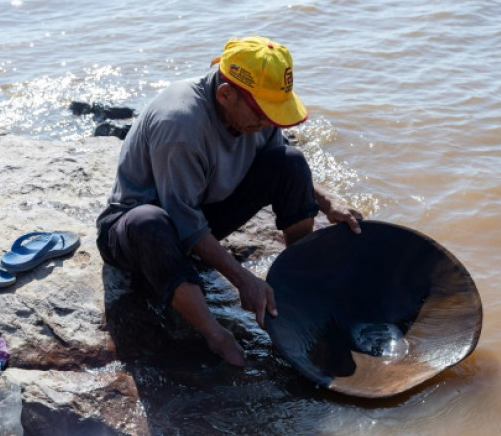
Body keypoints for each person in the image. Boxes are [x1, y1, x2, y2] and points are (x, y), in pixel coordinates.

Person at [96, 36, 363, 366]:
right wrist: (242, 279)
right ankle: (213, 334)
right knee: (151, 222)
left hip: (199, 209)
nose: (268, 122)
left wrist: (328, 202)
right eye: (264, 114)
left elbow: (275, 157)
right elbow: (182, 220)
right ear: (225, 94)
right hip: (138, 234)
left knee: (291, 161)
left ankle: (301, 284)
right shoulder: (180, 123)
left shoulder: (251, 114)